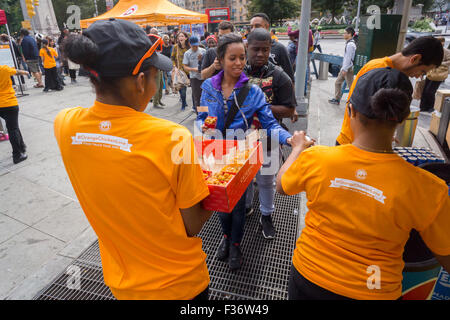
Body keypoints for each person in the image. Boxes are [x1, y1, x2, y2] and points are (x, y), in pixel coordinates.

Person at [55, 19, 213, 300]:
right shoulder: (172, 137)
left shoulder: (65, 126)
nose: (156, 83)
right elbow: (192, 225)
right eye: (156, 76)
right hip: (180, 285)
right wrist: (221, 190)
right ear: (141, 81)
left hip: (122, 286)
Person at [277, 67, 450, 300]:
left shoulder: (316, 158)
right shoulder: (428, 188)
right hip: (374, 290)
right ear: (402, 116)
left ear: (350, 111)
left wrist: (297, 148)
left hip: (308, 278)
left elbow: (281, 185)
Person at [197, 34, 293, 270]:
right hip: (215, 153)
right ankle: (226, 238)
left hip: (240, 155)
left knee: (238, 205)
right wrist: (203, 124)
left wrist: (290, 138)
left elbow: (270, 124)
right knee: (220, 203)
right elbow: (200, 112)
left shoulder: (253, 93)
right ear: (220, 59)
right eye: (233, 58)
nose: (239, 63)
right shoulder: (208, 86)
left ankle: (236, 246)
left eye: (241, 57)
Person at [336, 36, 444, 146]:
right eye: (422, 71)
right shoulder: (379, 70)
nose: (418, 77)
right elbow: (363, 116)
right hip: (354, 144)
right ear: (415, 59)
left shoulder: (388, 72)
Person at [243, 28, 297, 239]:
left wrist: (258, 108)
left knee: (266, 181)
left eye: (265, 50)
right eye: (256, 49)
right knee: (244, 179)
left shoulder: (279, 75)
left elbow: (290, 109)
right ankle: (246, 208)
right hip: (240, 137)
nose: (260, 54)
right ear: (247, 48)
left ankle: (266, 216)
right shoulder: (237, 72)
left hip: (268, 138)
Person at [250, 13, 295, 82]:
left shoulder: (280, 49)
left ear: (267, 27)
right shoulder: (246, 48)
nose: (253, 29)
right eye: (251, 27)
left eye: (257, 26)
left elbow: (290, 78)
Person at [0, 65, 29, 164]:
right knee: (13, 128)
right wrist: (26, 72)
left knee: (13, 126)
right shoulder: (4, 69)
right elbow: (17, 71)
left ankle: (21, 146)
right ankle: (17, 155)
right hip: (9, 103)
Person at [420, 37, 450, 112]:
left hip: (438, 75)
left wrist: (440, 63)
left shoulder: (446, 51)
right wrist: (422, 73)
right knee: (425, 90)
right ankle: (423, 107)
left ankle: (431, 107)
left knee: (430, 91)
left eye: (441, 42)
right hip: (430, 73)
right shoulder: (432, 51)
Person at [328, 26, 357, 105]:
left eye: (345, 33)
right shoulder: (349, 43)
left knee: (351, 86)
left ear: (350, 34)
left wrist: (344, 69)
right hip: (346, 68)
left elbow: (348, 58)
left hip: (348, 69)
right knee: (337, 83)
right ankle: (337, 99)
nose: (343, 34)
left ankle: (355, 102)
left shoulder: (351, 45)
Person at [183, 36, 206, 113]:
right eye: (193, 46)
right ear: (190, 44)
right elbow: (185, 66)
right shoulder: (187, 53)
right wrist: (193, 69)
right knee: (197, 97)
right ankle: (199, 114)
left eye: (196, 45)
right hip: (194, 78)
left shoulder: (203, 51)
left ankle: (204, 113)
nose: (195, 47)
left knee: (204, 96)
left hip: (204, 76)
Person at [171, 31, 190, 110]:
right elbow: (172, 58)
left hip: (189, 71)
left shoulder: (189, 47)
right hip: (180, 71)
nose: (180, 38)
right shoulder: (175, 47)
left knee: (193, 89)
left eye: (182, 36)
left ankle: (194, 106)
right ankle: (183, 102)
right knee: (182, 89)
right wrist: (175, 67)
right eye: (179, 36)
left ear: (186, 38)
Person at [149, 28, 165, 109]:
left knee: (161, 84)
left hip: (159, 65)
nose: (156, 34)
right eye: (154, 33)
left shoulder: (157, 41)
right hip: (155, 66)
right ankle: (155, 103)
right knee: (157, 85)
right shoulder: (150, 42)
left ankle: (159, 100)